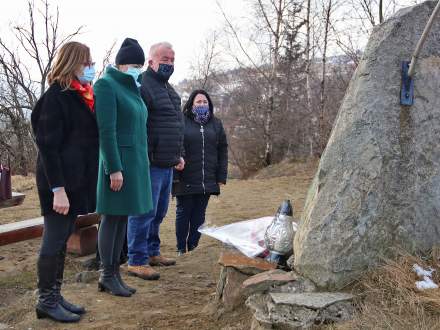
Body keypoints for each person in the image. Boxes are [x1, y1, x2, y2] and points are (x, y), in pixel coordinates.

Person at [31, 41, 98, 322]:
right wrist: (58, 190)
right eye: (87, 62)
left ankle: (54, 296)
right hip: (57, 185)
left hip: (75, 183)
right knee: (54, 239)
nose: (91, 67)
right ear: (73, 63)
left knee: (61, 238)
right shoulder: (54, 98)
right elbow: (48, 147)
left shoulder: (77, 95)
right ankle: (46, 299)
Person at [94, 38, 153, 296]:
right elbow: (106, 132)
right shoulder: (106, 85)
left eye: (140, 64)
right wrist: (113, 168)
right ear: (120, 64)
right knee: (111, 218)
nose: (137, 68)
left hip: (135, 164)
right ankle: (106, 274)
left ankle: (114, 273)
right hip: (118, 165)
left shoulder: (133, 88)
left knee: (121, 220)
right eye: (133, 64)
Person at [127, 42, 184, 280]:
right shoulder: (143, 86)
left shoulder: (168, 89)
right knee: (143, 213)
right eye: (164, 59)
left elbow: (174, 125)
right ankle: (136, 260)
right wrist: (145, 157)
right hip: (149, 163)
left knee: (159, 212)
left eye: (172, 60)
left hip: (167, 162)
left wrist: (178, 154)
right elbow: (138, 126)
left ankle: (152, 252)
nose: (169, 63)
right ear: (151, 61)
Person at [173, 90, 228, 255]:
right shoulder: (182, 122)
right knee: (184, 212)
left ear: (209, 104)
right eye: (198, 102)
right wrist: (175, 174)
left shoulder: (216, 123)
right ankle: (181, 248)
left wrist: (221, 176)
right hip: (185, 177)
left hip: (208, 178)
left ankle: (193, 246)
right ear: (191, 104)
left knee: (199, 214)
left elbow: (222, 150)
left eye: (205, 102)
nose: (202, 104)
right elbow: (175, 146)